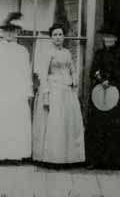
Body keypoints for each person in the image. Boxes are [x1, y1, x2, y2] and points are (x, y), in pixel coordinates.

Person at [0, 12, 33, 161]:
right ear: (3, 31)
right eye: (7, 30)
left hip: (17, 92)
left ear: (18, 32)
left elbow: (26, 74)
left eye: (13, 30)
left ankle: (14, 155)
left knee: (15, 123)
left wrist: (28, 93)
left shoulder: (23, 51)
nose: (10, 33)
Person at [32, 23, 85, 165]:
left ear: (64, 36)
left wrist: (74, 79)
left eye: (60, 34)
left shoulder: (67, 53)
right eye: (55, 35)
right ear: (51, 37)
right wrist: (46, 94)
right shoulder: (48, 52)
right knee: (55, 124)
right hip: (53, 90)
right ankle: (52, 157)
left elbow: (72, 69)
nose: (57, 37)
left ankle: (67, 157)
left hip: (66, 91)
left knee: (67, 123)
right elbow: (43, 74)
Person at [85, 25, 120, 169]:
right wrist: (100, 80)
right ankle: (95, 160)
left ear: (116, 39)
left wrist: (110, 80)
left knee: (115, 129)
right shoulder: (99, 54)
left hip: (116, 95)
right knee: (97, 127)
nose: (108, 39)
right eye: (106, 37)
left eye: (111, 37)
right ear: (103, 38)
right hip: (100, 94)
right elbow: (93, 71)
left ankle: (115, 162)